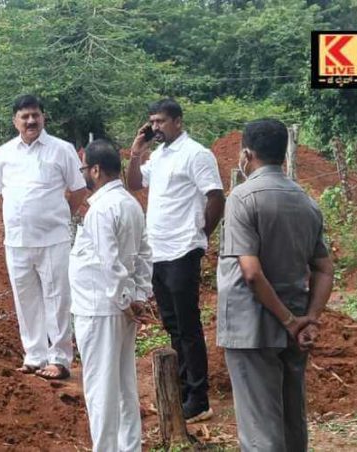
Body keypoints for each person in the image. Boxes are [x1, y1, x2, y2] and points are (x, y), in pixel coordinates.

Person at [217, 119, 334, 451]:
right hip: (294, 331)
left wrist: (287, 319)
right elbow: (325, 269)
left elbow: (251, 272)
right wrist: (308, 319)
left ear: (247, 154)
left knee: (259, 432)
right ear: (283, 154)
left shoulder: (242, 197)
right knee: (290, 421)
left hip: (251, 329)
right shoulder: (306, 202)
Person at [126, 98, 225, 422]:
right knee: (172, 325)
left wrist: (200, 237)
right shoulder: (159, 155)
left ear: (178, 122)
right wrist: (136, 151)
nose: (155, 127)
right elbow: (134, 184)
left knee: (188, 325)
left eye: (161, 121)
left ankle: (198, 399)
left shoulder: (197, 154)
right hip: (158, 251)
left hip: (183, 250)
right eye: (152, 121)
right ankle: (182, 392)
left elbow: (216, 198)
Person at [0, 94, 88, 380]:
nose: (31, 120)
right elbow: (0, 191)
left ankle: (59, 359)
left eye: (35, 115)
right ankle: (34, 356)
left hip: (53, 239)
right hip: (17, 242)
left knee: (57, 298)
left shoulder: (62, 149)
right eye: (25, 116)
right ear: (15, 121)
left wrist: (60, 216)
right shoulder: (4, 153)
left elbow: (79, 190)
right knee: (26, 300)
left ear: (44, 117)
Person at [70, 139, 152, 451]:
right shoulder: (130, 203)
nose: (83, 175)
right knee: (122, 385)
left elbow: (110, 261)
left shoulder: (102, 209)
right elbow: (144, 254)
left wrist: (124, 300)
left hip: (100, 308)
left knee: (100, 388)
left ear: (95, 170)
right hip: (119, 305)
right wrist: (138, 296)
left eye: (84, 169)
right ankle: (128, 447)